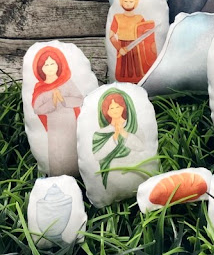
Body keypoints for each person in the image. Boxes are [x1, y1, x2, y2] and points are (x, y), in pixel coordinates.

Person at [31, 46, 84, 176]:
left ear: (58, 64)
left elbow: (79, 99)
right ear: (40, 68)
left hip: (70, 122)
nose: (50, 67)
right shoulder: (40, 88)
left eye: (52, 63)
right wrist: (52, 102)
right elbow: (37, 109)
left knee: (72, 147)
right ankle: (57, 175)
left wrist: (63, 99)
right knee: (57, 151)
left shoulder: (67, 83)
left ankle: (79, 172)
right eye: (46, 64)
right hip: (54, 125)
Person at [92, 89, 146, 189]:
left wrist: (125, 134)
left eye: (118, 106)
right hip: (112, 177)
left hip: (135, 171)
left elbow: (141, 147)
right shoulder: (101, 133)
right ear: (106, 111)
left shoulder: (134, 127)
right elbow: (97, 156)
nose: (115, 110)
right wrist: (114, 137)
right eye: (111, 108)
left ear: (123, 107)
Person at [109, 0, 157, 83]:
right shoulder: (117, 17)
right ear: (121, 1)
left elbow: (146, 35)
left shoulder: (139, 18)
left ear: (136, 2)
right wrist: (119, 48)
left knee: (138, 74)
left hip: (137, 49)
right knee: (124, 75)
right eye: (125, 1)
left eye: (131, 1)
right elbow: (111, 36)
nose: (128, 4)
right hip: (123, 47)